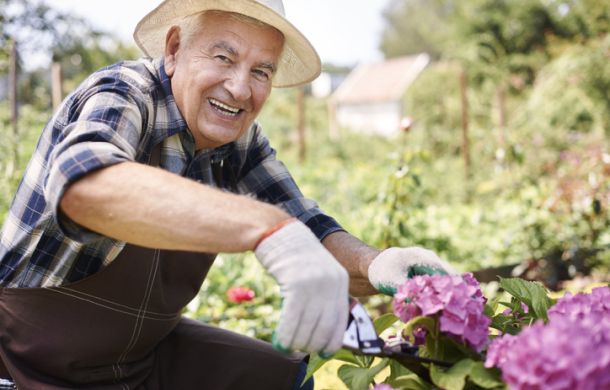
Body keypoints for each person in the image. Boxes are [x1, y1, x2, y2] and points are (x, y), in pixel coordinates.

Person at [0, 0, 455, 388]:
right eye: (223, 57)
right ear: (175, 49)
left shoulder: (239, 142)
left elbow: (308, 225)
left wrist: (374, 263)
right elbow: (86, 188)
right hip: (27, 360)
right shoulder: (123, 94)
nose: (240, 88)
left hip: (139, 356)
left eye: (261, 71)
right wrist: (265, 228)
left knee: (283, 376)